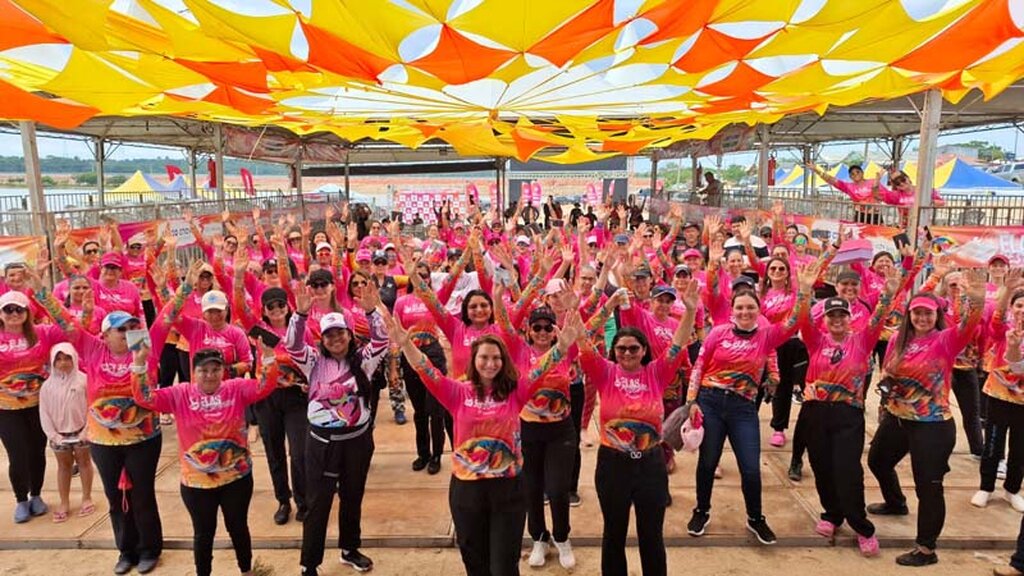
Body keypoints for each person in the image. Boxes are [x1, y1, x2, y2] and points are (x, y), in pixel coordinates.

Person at [390, 306, 584, 576]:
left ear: (504, 362)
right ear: (474, 359)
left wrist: (561, 347)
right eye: (484, 357)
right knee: (476, 566)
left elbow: (540, 369)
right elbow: (426, 369)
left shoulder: (516, 392)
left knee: (504, 567)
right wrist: (406, 345)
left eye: (496, 358)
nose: (490, 363)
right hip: (467, 492)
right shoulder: (456, 392)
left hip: (508, 491)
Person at [686, 259, 819, 546]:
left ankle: (755, 517)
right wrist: (691, 401)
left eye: (750, 307)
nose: (745, 312)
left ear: (758, 311)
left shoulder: (767, 336)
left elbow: (794, 321)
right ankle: (701, 510)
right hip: (709, 402)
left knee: (749, 467)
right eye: (739, 308)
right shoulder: (718, 333)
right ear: (732, 311)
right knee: (707, 463)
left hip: (743, 408)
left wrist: (805, 292)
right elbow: (698, 366)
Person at [575, 283, 696, 576]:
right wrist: (573, 311)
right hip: (612, 465)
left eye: (633, 348)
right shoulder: (604, 371)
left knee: (651, 537)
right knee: (613, 535)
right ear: (614, 351)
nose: (627, 353)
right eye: (621, 348)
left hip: (651, 466)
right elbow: (582, 341)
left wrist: (690, 311)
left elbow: (678, 344)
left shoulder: (657, 372)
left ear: (643, 351)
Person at [867, 270, 986, 567]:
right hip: (897, 417)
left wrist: (976, 298)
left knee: (928, 485)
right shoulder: (898, 338)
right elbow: (888, 373)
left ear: (937, 315)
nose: (922, 318)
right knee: (878, 461)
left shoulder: (946, 340)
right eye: (917, 312)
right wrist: (887, 390)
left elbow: (970, 324)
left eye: (928, 313)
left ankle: (926, 549)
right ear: (909, 314)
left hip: (932, 425)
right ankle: (896, 503)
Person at [798, 253, 914, 557]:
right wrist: (804, 291)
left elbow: (881, 313)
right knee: (821, 466)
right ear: (825, 321)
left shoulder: (862, 340)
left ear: (850, 319)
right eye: (832, 317)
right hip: (815, 412)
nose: (837, 321)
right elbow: (801, 317)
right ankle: (832, 515)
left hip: (849, 415)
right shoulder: (816, 341)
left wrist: (889, 290)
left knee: (848, 469)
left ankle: (861, 526)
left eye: (842, 316)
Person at [132, 343, 279, 576]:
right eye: (203, 370)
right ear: (193, 372)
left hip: (236, 476)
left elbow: (265, 385)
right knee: (203, 534)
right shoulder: (179, 393)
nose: (209, 375)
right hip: (197, 482)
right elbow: (144, 398)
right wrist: (139, 364)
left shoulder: (236, 388)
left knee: (238, 527)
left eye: (215, 369)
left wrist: (269, 356)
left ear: (223, 371)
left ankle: (247, 571)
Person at [290, 283, 389, 575]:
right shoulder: (313, 362)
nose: (336, 339)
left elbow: (382, 341)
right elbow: (293, 345)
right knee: (317, 502)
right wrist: (299, 314)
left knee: (352, 495)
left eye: (340, 333)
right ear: (322, 339)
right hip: (321, 444)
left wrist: (372, 311)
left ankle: (349, 548)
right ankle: (310, 564)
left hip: (357, 442)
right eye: (330, 334)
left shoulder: (364, 362)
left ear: (349, 335)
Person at [0, 290, 64, 523]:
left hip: (39, 404)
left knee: (37, 452)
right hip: (6, 409)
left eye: (19, 309)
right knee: (17, 455)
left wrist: (44, 295)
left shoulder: (42, 334)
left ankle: (36, 495)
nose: (14, 314)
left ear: (28, 312)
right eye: (8, 309)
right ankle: (20, 500)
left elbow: (70, 326)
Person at [972, 269, 1024, 511]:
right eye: (1019, 306)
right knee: (993, 442)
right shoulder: (1003, 329)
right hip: (998, 394)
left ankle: (1011, 490)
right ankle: (986, 487)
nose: (1022, 310)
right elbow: (996, 319)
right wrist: (1008, 290)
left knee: (1020, 448)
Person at [39, 343, 95, 523]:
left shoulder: (84, 380)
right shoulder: (47, 387)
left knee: (84, 463)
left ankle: (87, 497)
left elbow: (92, 406)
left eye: (67, 358)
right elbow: (44, 412)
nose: (63, 363)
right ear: (53, 362)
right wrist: (53, 435)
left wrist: (87, 429)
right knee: (64, 467)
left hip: (81, 432)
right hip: (59, 435)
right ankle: (64, 502)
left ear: (74, 359)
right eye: (59, 359)